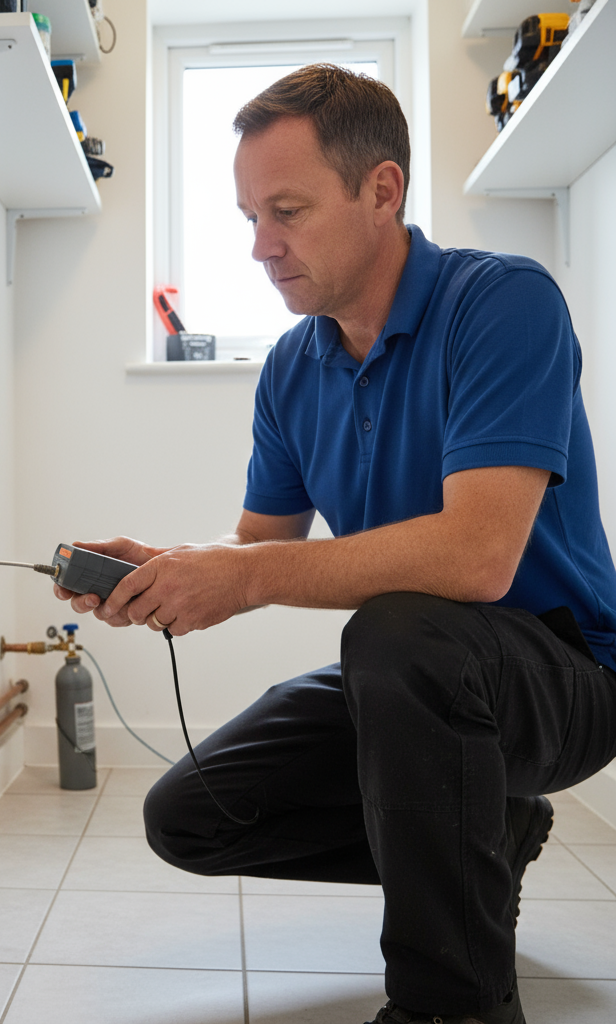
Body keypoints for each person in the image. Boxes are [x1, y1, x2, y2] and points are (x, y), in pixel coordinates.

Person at [55, 64, 616, 1024]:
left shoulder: (503, 305)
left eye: (288, 211)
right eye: (248, 217)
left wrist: (242, 576)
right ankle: (493, 829)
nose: (263, 247)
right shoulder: (292, 365)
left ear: (382, 191)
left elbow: (477, 560)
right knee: (191, 815)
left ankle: (450, 1007)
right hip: (420, 686)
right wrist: (168, 570)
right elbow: (257, 544)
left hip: (561, 678)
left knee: (398, 632)